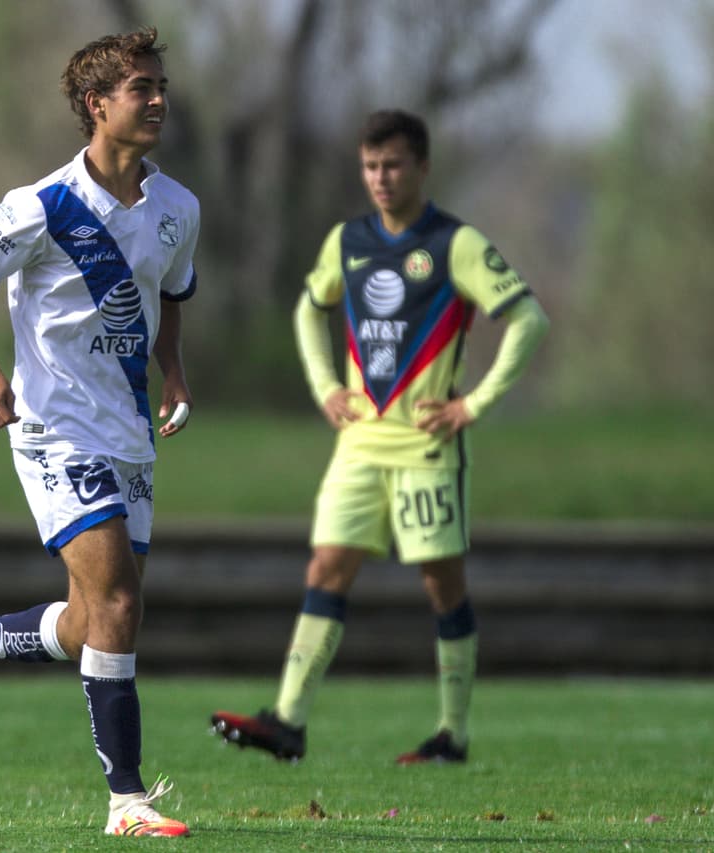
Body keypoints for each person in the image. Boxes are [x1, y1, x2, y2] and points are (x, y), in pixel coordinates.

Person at [0, 28, 198, 838]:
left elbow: (173, 291)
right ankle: (127, 801)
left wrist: (173, 371)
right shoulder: (38, 206)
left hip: (129, 431)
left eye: (161, 84)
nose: (158, 100)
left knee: (93, 620)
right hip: (54, 428)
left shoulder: (179, 208)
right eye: (141, 87)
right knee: (115, 599)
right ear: (96, 105)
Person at [211, 109, 549, 765]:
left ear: (422, 167)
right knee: (326, 567)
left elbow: (529, 319)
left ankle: (452, 732)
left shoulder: (457, 244)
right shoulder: (348, 239)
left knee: (440, 584)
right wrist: (323, 387)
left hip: (426, 445)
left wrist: (474, 404)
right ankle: (287, 720)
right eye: (370, 166)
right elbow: (310, 307)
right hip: (360, 442)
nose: (380, 178)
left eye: (393, 164)